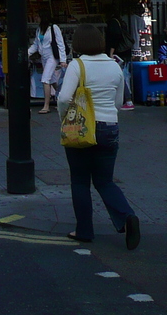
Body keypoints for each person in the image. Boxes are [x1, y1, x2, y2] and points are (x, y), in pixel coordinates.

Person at [57, 23, 140, 249]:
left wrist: (64, 118)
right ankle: (127, 216)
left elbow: (64, 98)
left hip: (82, 128)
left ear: (79, 44)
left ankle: (84, 230)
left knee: (80, 181)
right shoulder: (115, 66)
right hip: (109, 126)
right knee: (104, 180)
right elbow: (119, 101)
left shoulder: (77, 65)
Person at [29, 14, 67, 114]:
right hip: (44, 56)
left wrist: (63, 60)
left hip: (52, 56)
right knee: (53, 79)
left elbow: (60, 43)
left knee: (45, 79)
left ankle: (46, 105)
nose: (36, 18)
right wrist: (27, 53)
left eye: (38, 16)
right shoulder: (39, 29)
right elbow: (36, 45)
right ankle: (63, 99)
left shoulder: (54, 28)